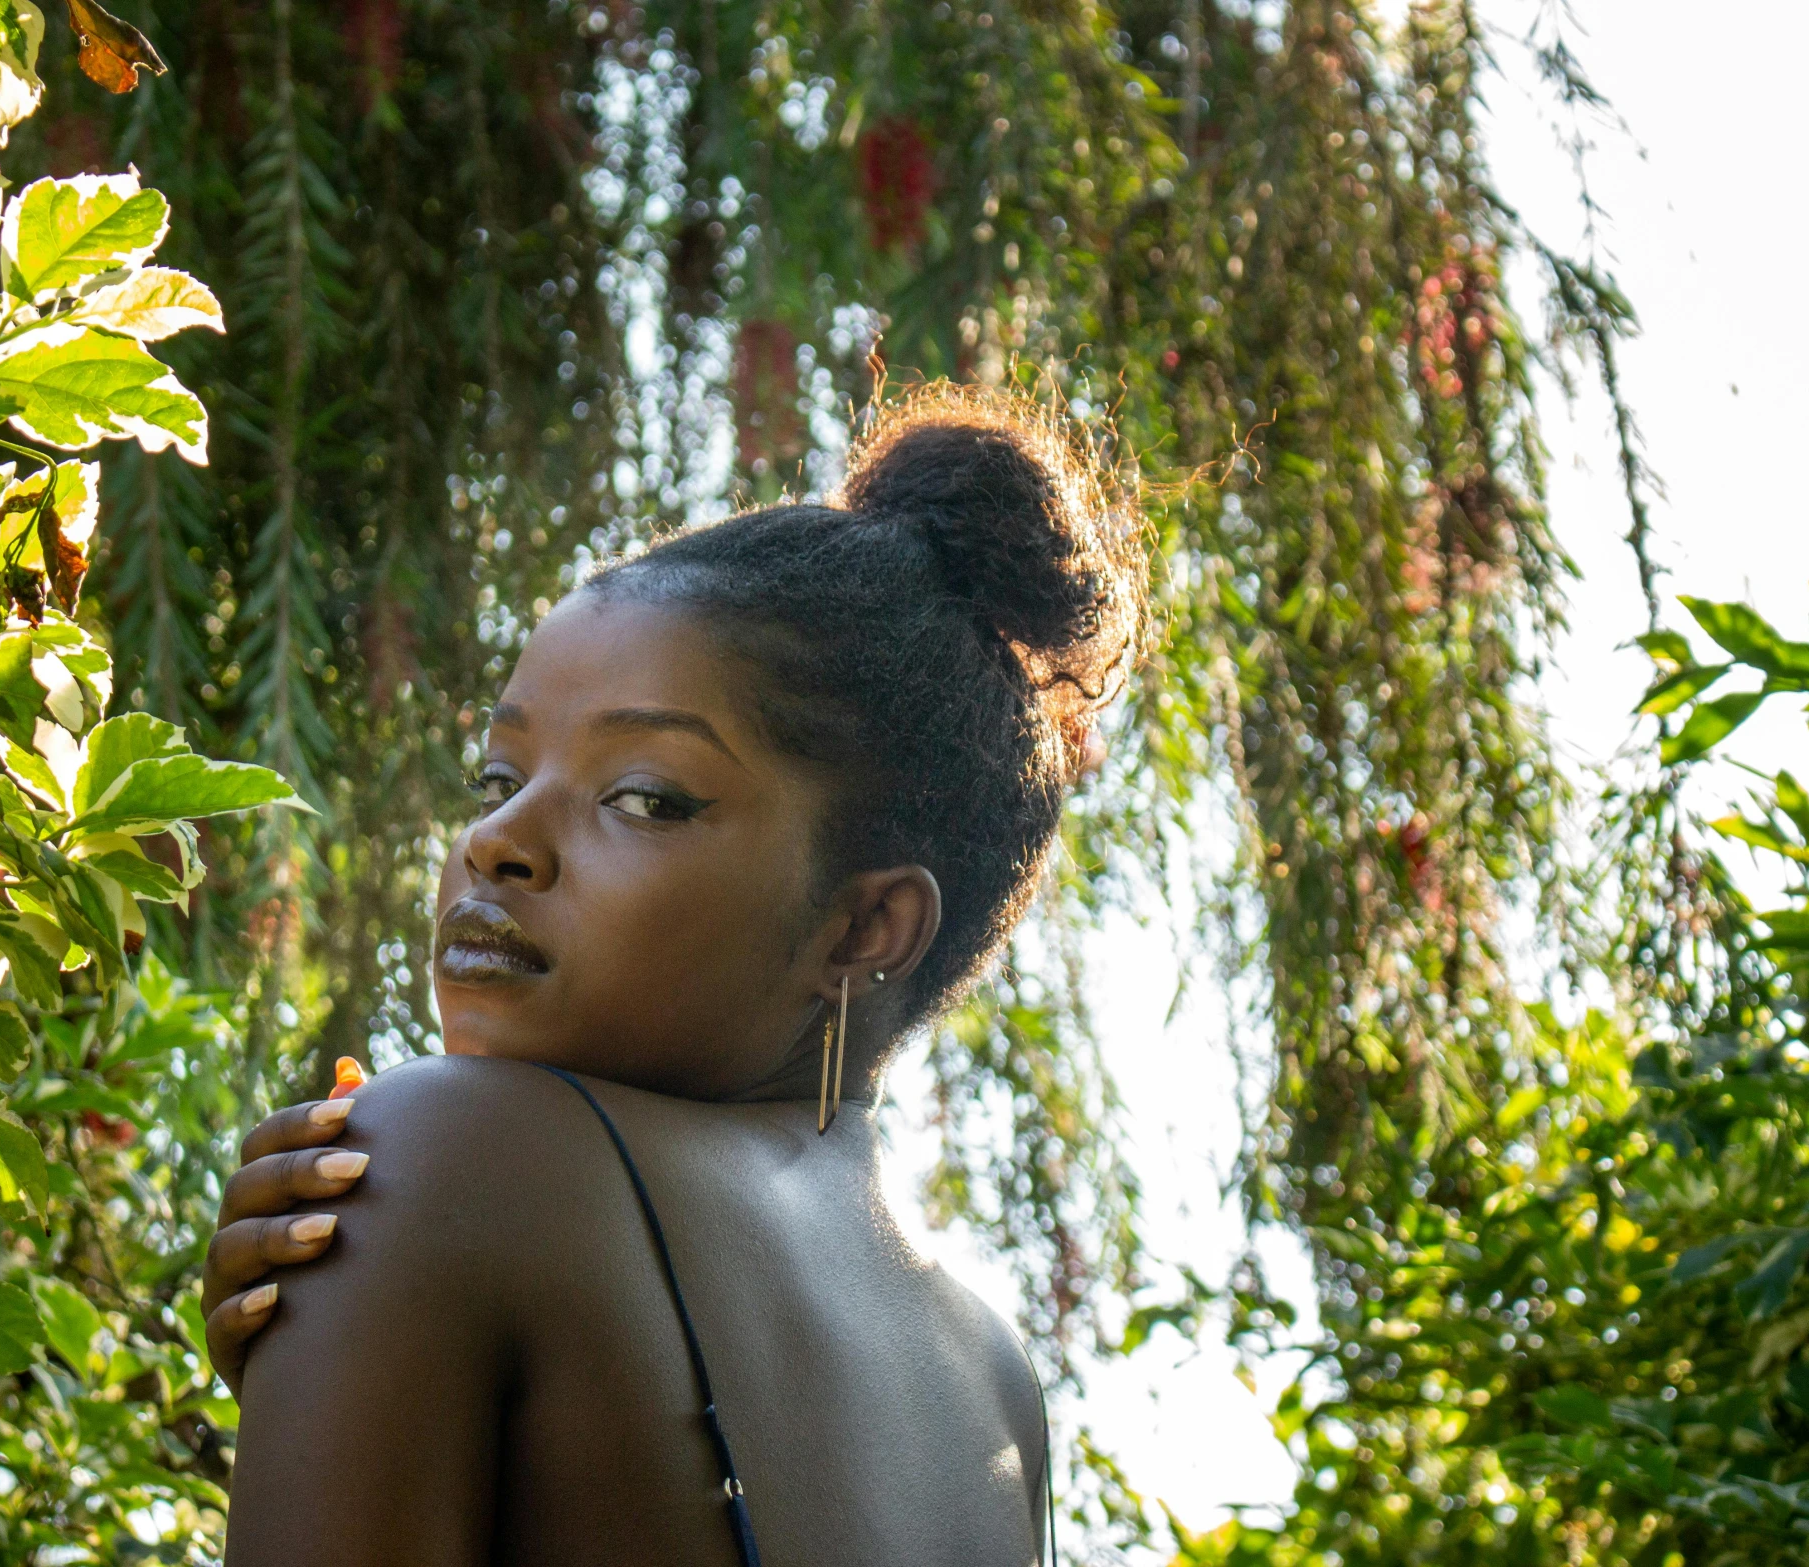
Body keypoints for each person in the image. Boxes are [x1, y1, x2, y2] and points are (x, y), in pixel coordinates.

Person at [207, 383, 1147, 1566]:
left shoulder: (448, 1156)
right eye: (496, 780)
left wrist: (347, 1342)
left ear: (865, 929)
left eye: (643, 798)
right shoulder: (994, 1377)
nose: (493, 844)